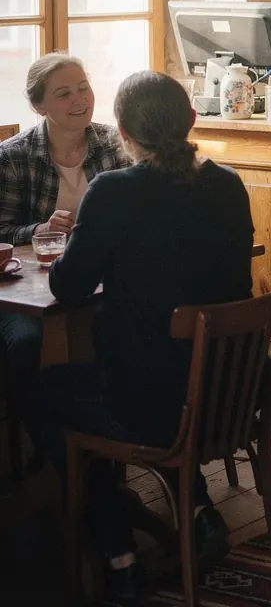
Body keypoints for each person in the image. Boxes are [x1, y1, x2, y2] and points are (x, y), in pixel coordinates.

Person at [30, 71, 254, 605]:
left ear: (124, 132)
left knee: (45, 394)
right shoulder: (228, 183)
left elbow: (67, 284)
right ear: (193, 120)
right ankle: (193, 507)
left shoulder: (114, 191)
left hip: (151, 408)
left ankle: (118, 553)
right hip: (226, 401)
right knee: (127, 368)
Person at [0, 54, 130, 465]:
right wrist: (38, 229)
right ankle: (49, 443)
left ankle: (102, 435)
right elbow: (1, 228)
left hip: (98, 280)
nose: (79, 100)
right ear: (39, 106)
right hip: (30, 289)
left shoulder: (113, 143)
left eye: (83, 88)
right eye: (63, 94)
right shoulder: (14, 157)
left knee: (120, 327)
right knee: (25, 340)